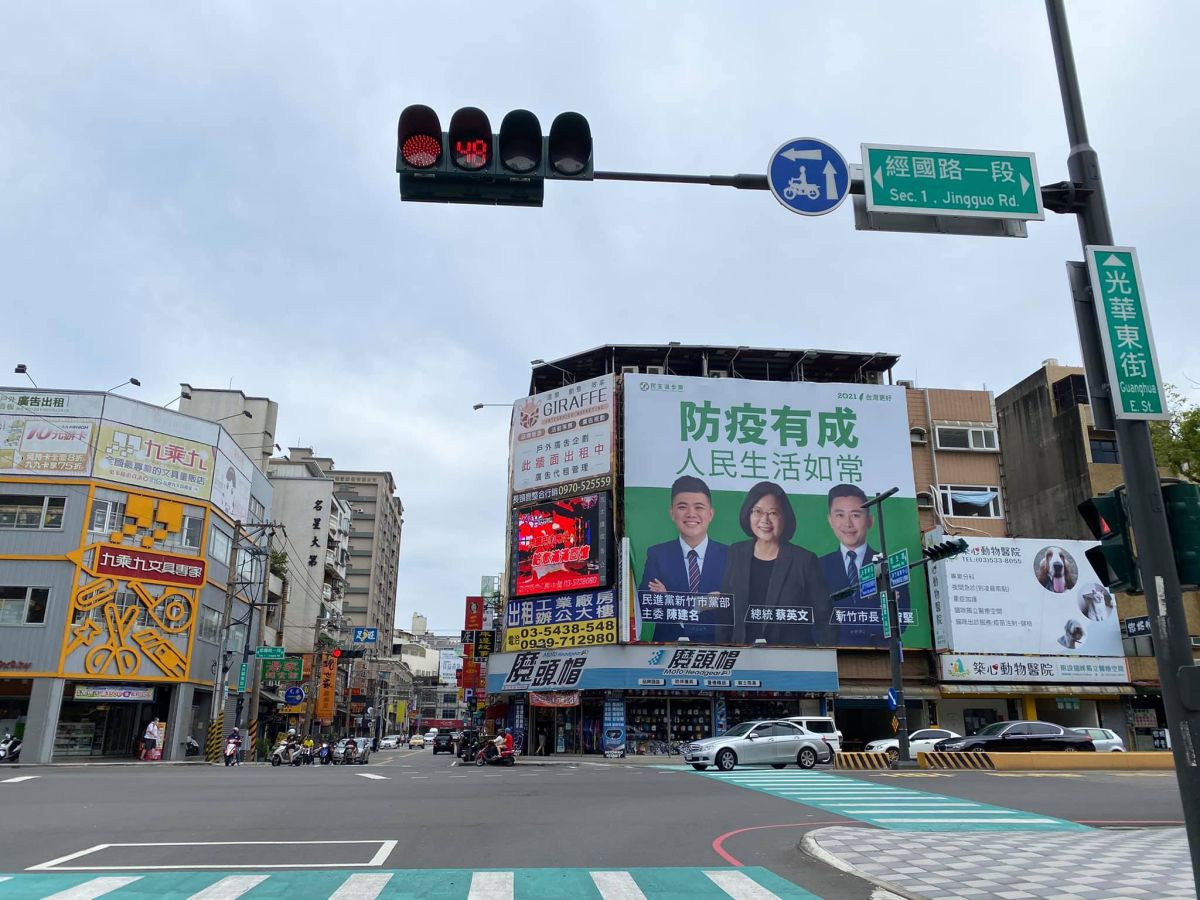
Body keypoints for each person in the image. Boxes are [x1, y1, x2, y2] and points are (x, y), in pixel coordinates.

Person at [719, 481, 829, 645]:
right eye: (757, 511)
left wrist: (824, 660)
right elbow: (725, 614)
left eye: (773, 513)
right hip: (742, 659)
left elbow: (825, 617)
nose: (765, 520)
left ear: (785, 518)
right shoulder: (736, 553)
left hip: (790, 661)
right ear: (748, 514)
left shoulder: (804, 560)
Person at [816, 483, 911, 647]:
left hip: (880, 651)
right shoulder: (817, 566)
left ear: (870, 520)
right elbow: (813, 620)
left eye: (855, 515)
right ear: (830, 520)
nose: (848, 524)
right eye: (840, 515)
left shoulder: (890, 565)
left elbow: (902, 620)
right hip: (831, 653)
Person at [637, 475, 730, 640]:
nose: (691, 514)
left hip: (719, 648)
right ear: (672, 513)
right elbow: (647, 604)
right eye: (682, 507)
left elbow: (735, 606)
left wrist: (669, 598)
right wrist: (701, 605)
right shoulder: (658, 555)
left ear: (710, 513)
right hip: (666, 649)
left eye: (699, 507)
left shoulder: (731, 556)